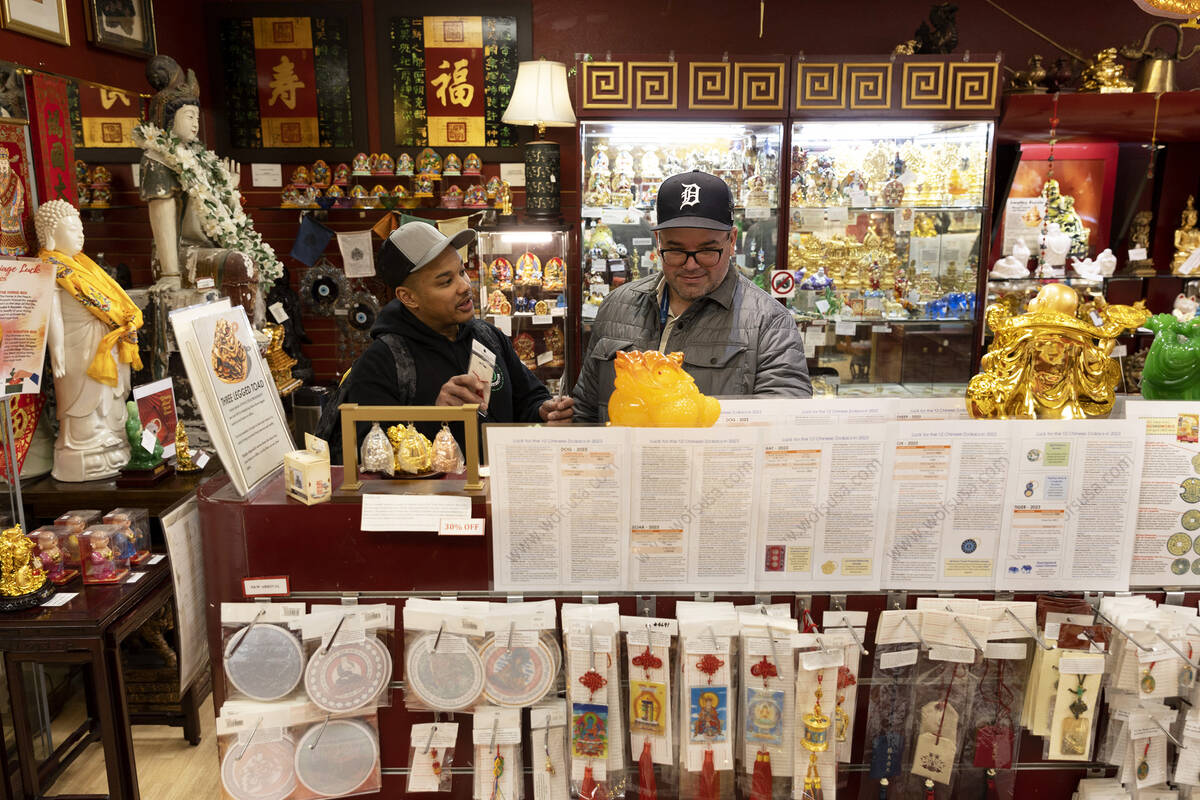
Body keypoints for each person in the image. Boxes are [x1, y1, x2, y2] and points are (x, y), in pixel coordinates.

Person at [573, 170, 811, 422]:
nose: (690, 265)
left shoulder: (770, 323)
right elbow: (586, 411)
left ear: (731, 240)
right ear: (658, 241)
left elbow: (785, 424)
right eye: (675, 251)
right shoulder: (616, 306)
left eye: (708, 251)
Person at [327, 220, 573, 462]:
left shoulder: (488, 336)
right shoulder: (380, 363)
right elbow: (372, 457)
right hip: (436, 501)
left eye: (462, 271)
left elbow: (527, 399)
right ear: (409, 297)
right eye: (446, 281)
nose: (464, 286)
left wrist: (544, 411)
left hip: (500, 492)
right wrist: (436, 416)